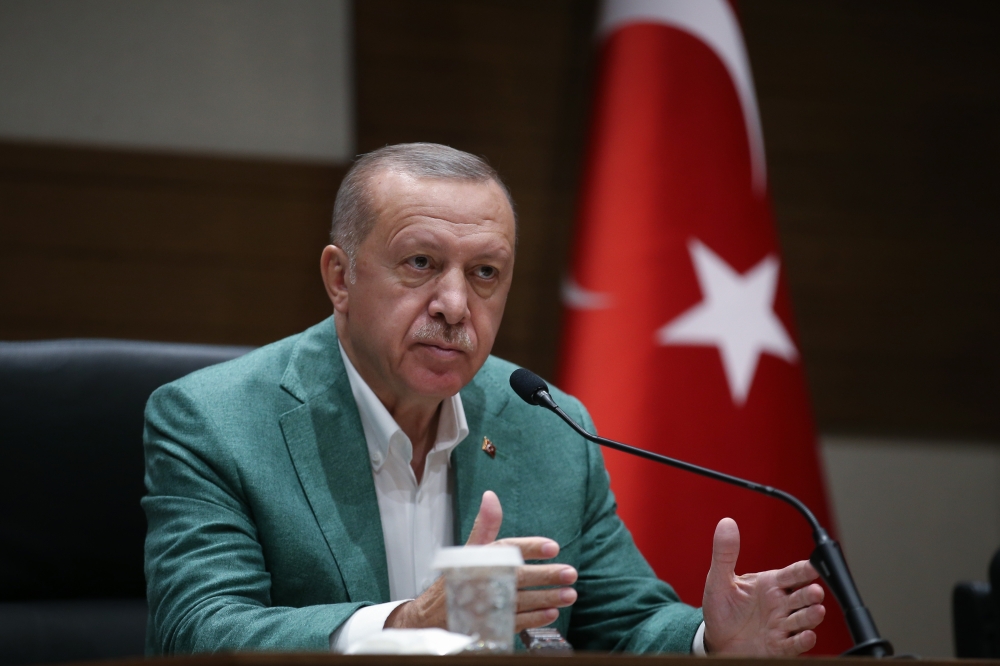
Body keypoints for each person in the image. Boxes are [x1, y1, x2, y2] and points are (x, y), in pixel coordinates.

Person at [143, 143, 825, 655]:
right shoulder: (214, 420)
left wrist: (710, 640)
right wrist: (409, 624)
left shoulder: (547, 424)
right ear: (340, 277)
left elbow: (626, 621)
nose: (453, 305)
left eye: (484, 273)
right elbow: (196, 630)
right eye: (421, 264)